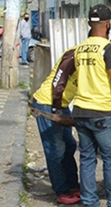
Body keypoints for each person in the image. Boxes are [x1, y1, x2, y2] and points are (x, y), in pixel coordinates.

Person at [54, 4, 111, 207]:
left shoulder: (80, 48)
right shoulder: (109, 48)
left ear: (88, 23)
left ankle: (90, 202)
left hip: (80, 111)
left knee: (87, 159)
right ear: (108, 24)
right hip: (103, 112)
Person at [29, 39, 81, 204]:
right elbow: (58, 82)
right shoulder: (74, 55)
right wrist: (57, 111)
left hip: (61, 104)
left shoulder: (98, 59)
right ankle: (61, 190)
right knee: (55, 149)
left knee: (70, 145)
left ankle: (73, 185)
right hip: (49, 103)